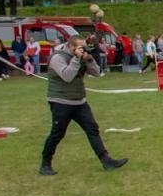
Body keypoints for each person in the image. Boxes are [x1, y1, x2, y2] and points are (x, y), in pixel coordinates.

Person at [40, 35, 127, 176]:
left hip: (79, 101)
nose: (83, 49)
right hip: (61, 101)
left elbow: (97, 73)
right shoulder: (58, 58)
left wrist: (89, 59)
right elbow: (67, 76)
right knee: (57, 133)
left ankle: (106, 160)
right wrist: (76, 59)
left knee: (92, 129)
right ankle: (45, 163)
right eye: (80, 47)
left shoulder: (81, 57)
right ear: (71, 46)